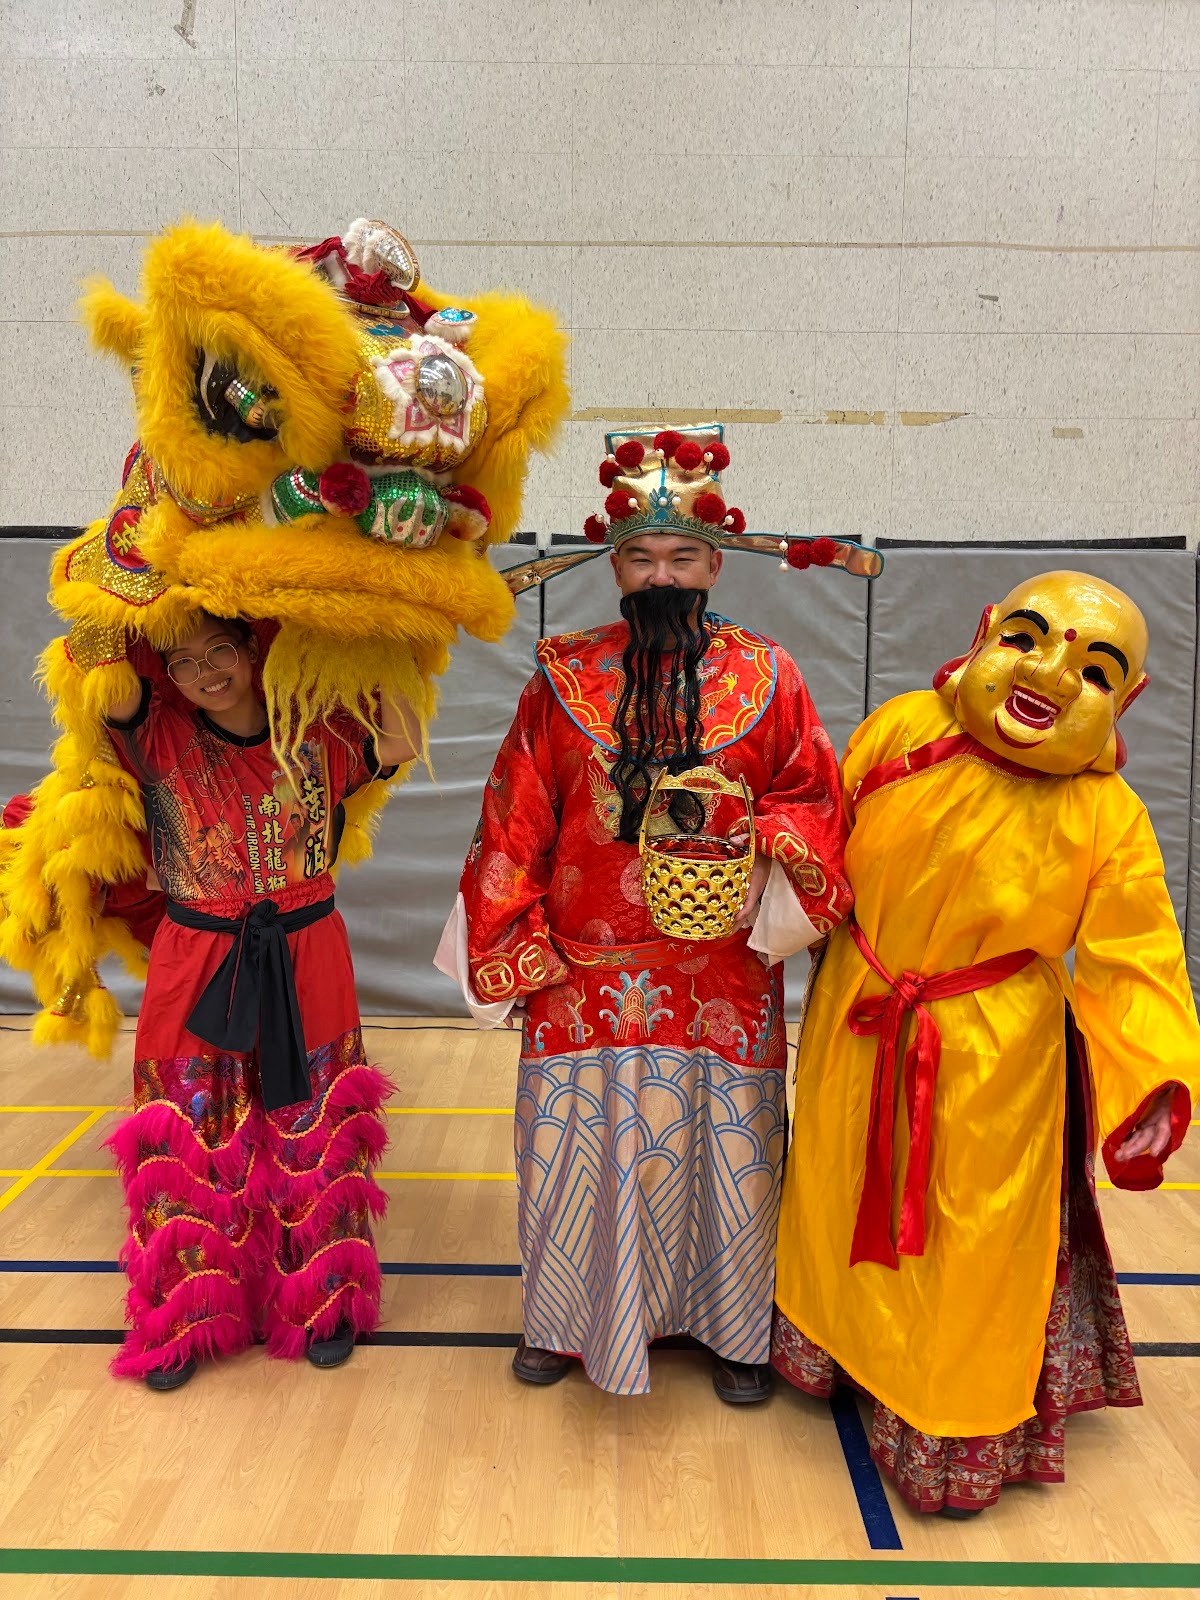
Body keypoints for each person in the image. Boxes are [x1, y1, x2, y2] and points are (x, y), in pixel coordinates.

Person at [438, 425, 851, 1403]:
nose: (661, 574)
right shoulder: (564, 674)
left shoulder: (770, 675)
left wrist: (775, 845)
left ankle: (735, 1330)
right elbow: (514, 818)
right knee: (575, 1160)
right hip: (586, 974)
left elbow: (813, 796)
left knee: (729, 1167)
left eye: (680, 556)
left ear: (714, 561)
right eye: (640, 556)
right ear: (614, 564)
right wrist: (515, 942)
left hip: (722, 976)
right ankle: (564, 1322)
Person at [771, 571, 1199, 1513]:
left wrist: (1153, 1087)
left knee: (966, 1242)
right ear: (980, 633)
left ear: (1126, 702)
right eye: (1027, 638)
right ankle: (836, 1354)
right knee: (837, 1195)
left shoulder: (1105, 817)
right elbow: (824, 839)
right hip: (861, 1012)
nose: (1049, 674)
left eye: (1093, 669)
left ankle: (949, 1418)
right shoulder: (902, 732)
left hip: (992, 1058)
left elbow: (1138, 961)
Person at [102, 611, 419, 1390]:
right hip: (196, 951)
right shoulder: (158, 734)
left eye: (219, 652)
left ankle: (323, 1303)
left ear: (252, 650)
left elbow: (404, 740)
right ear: (165, 675)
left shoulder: (318, 730)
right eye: (184, 663)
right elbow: (105, 674)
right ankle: (188, 1313)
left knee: (310, 1120)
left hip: (307, 947)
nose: (206, 673)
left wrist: (394, 622)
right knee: (188, 1125)